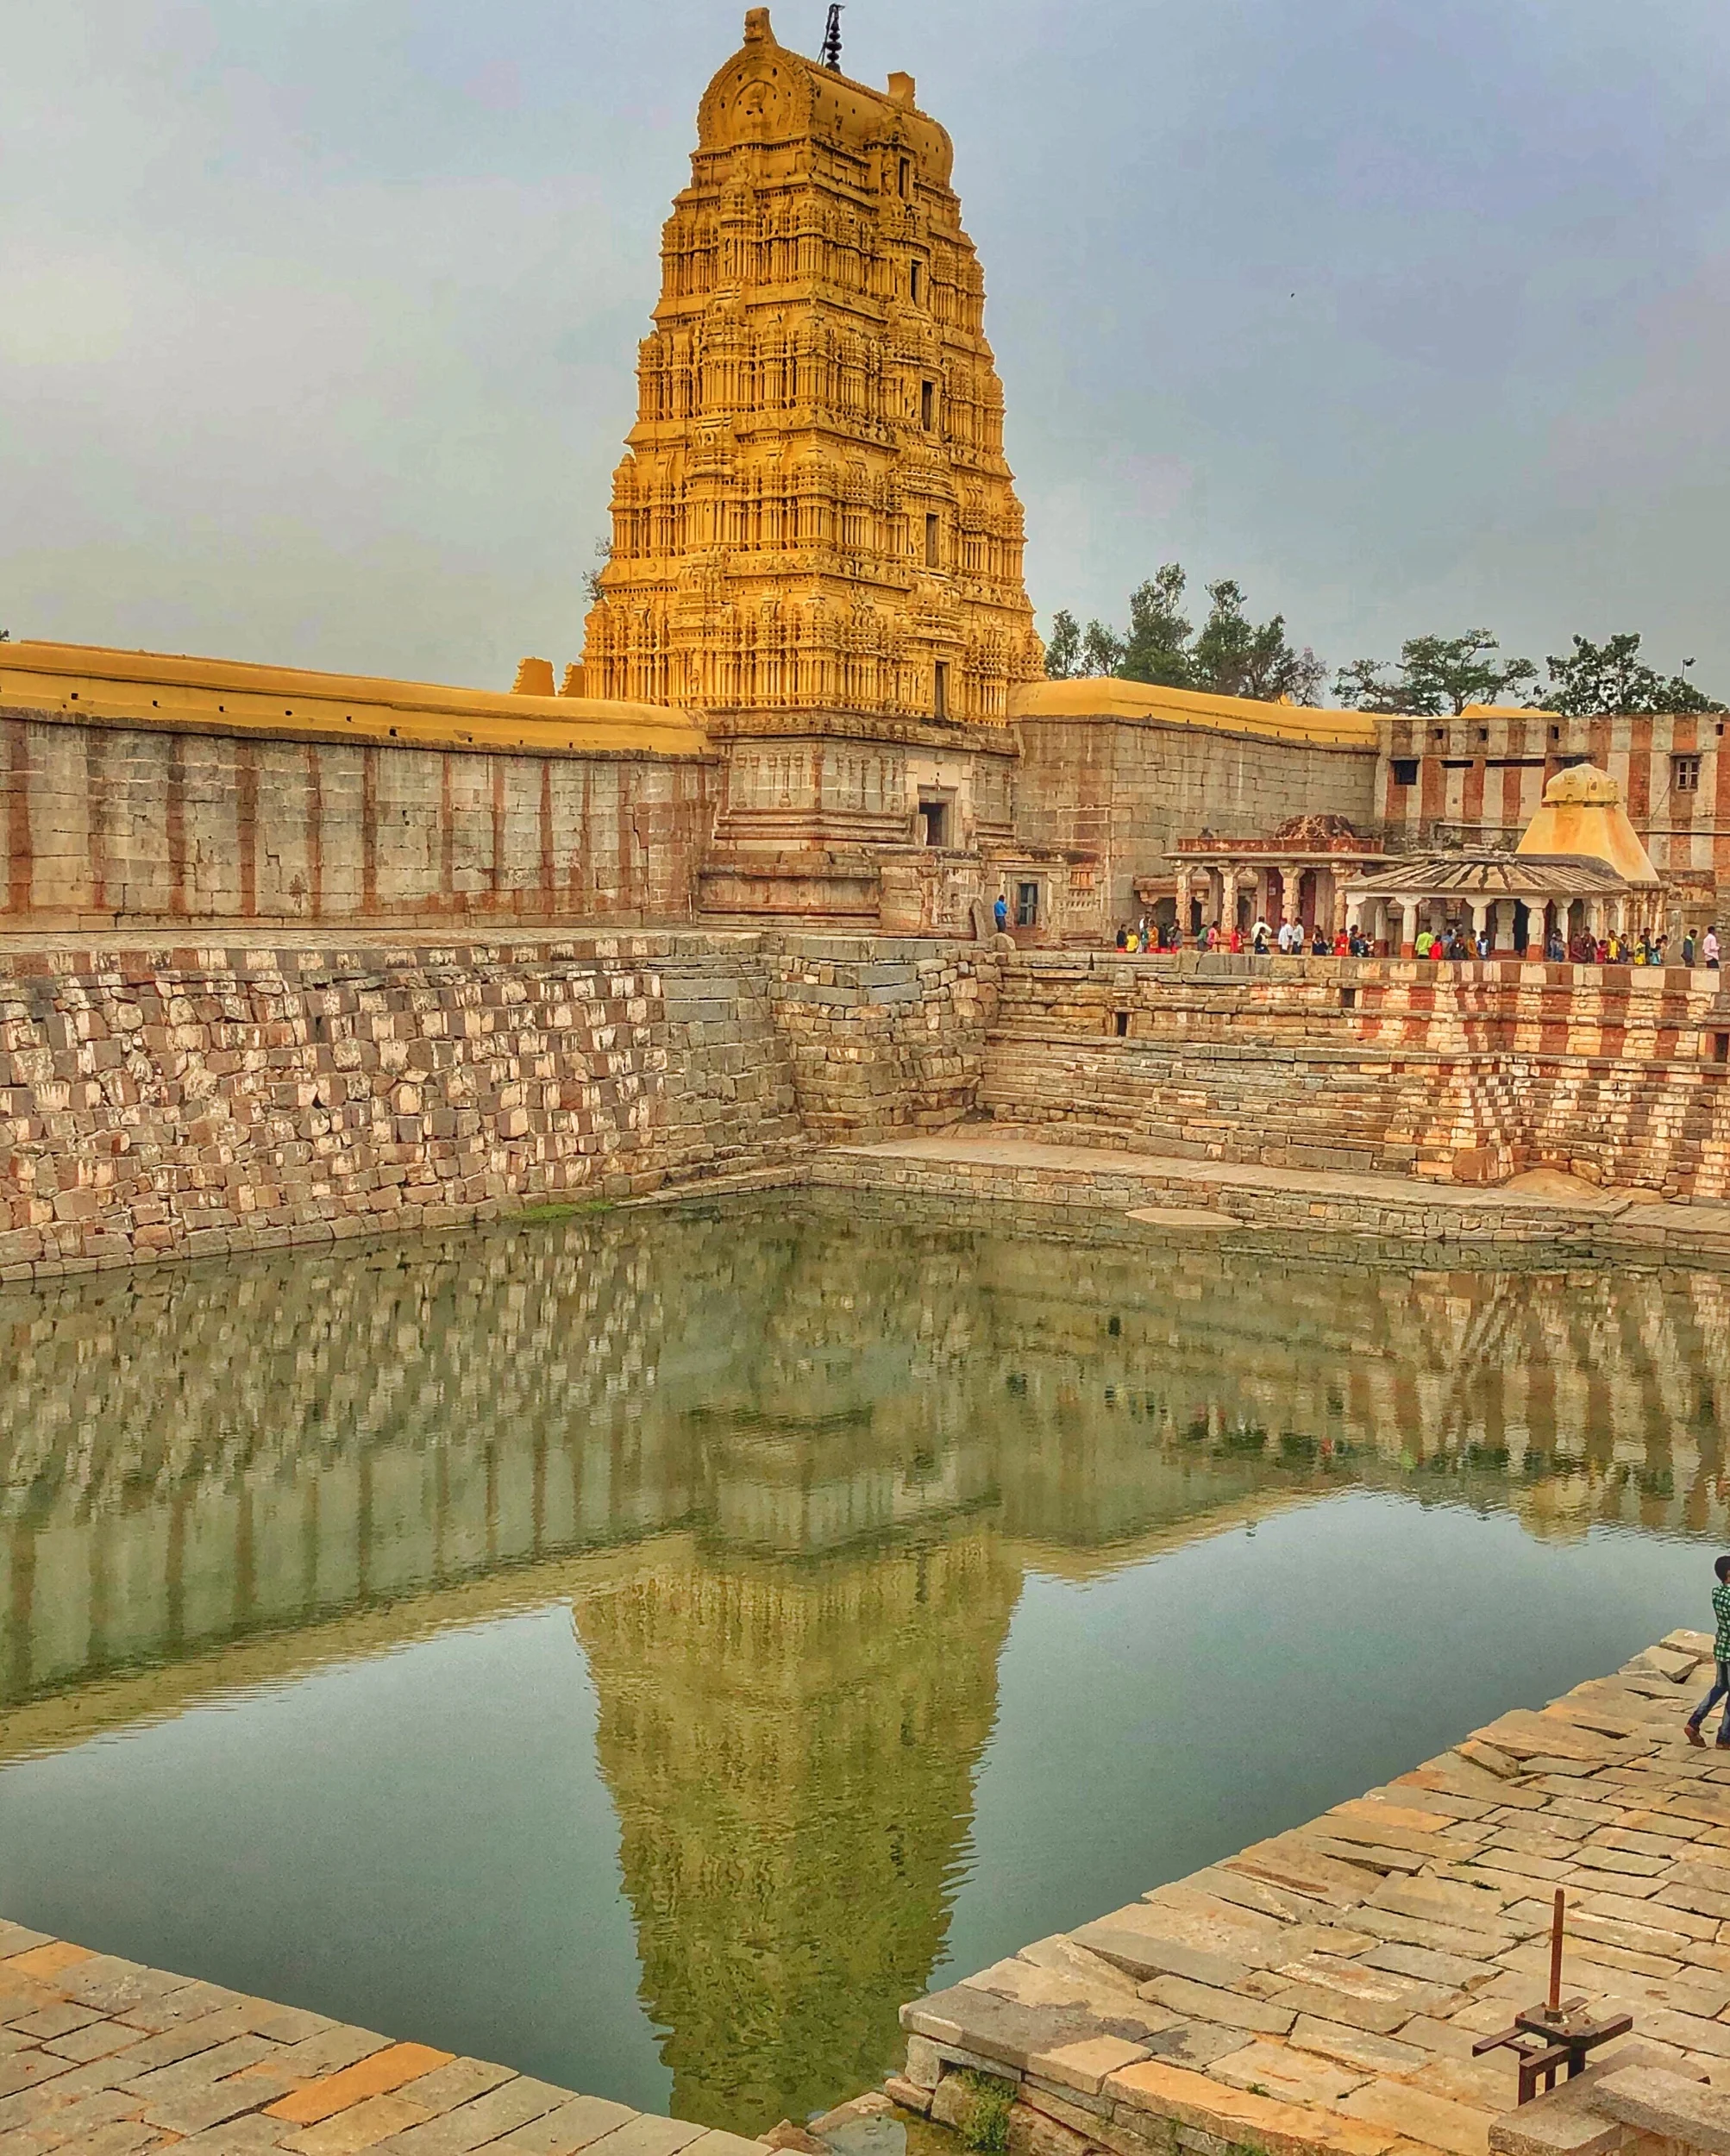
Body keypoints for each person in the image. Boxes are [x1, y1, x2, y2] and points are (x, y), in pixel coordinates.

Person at [1683, 1554, 1730, 1749]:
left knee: (1720, 1687)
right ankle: (1724, 1737)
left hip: (1721, 1647)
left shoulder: (1716, 1592)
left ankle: (1694, 1722)